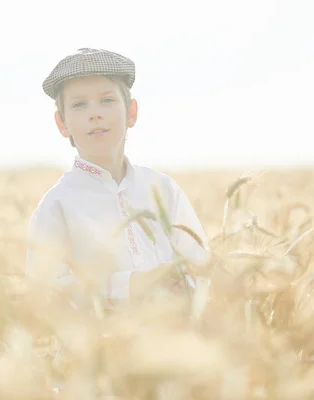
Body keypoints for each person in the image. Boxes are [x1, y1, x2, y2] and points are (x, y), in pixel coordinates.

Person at [24, 48, 209, 310]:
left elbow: (200, 264)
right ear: (62, 123)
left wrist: (183, 287)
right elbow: (45, 292)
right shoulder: (57, 205)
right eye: (79, 104)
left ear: (131, 112)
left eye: (107, 100)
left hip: (171, 342)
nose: (94, 113)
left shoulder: (163, 189)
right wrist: (131, 285)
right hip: (97, 348)